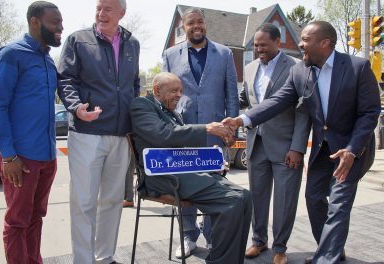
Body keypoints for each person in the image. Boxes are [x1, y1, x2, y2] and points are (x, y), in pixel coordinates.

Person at [223, 21, 381, 264]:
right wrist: (242, 119)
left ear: (325, 43)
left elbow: (369, 113)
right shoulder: (300, 72)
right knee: (314, 198)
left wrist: (351, 149)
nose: (300, 45)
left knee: (338, 204)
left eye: (306, 40)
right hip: (322, 151)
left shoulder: (357, 67)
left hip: (350, 150)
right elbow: (277, 101)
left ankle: (326, 258)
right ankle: (331, 251)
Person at [130, 72, 251, 264]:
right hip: (160, 176)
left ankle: (231, 259)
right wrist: (206, 129)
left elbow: (182, 149)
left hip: (182, 171)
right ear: (157, 90)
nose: (179, 95)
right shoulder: (142, 105)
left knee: (245, 197)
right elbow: (162, 135)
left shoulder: (174, 113)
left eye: (181, 91)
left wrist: (211, 160)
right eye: (174, 91)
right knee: (232, 201)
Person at [57, 0, 140, 263]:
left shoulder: (132, 44)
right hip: (86, 132)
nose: (101, 14)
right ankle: (83, 260)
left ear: (122, 14)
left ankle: (105, 257)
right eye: (99, 8)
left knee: (113, 201)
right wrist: (75, 107)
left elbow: (133, 84)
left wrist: (133, 117)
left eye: (108, 9)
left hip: (120, 134)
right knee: (83, 203)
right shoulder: (77, 40)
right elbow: (65, 79)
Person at [0, 1, 63, 263]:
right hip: (19, 158)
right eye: (55, 22)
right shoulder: (11, 54)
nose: (61, 27)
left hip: (46, 157)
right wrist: (8, 156)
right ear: (34, 22)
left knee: (36, 218)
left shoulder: (48, 60)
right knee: (17, 221)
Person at [162, 7, 239, 258]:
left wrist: (232, 129)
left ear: (206, 25)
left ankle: (213, 236)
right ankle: (188, 236)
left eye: (200, 22)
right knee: (183, 185)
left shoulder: (224, 53)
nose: (197, 26)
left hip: (215, 133)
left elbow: (231, 93)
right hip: (183, 133)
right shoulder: (171, 54)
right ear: (183, 28)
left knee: (214, 185)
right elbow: (164, 95)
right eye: (191, 23)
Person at [239, 24, 311, 264]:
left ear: (278, 42)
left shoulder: (296, 67)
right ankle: (259, 241)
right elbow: (244, 100)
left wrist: (298, 147)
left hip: (286, 147)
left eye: (263, 45)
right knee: (257, 197)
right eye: (255, 45)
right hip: (256, 143)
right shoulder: (249, 69)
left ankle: (280, 248)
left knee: (284, 201)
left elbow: (303, 111)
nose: (259, 49)